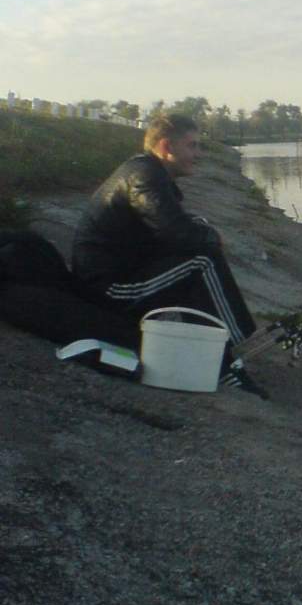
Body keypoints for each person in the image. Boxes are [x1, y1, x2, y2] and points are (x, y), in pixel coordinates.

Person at [72, 113, 264, 394]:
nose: (198, 154)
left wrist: (202, 230)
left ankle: (219, 356)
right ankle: (230, 356)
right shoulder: (144, 176)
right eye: (192, 146)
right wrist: (212, 236)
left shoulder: (148, 171)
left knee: (197, 254)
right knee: (201, 261)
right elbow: (176, 232)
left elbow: (168, 228)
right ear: (166, 146)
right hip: (108, 289)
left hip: (124, 274)